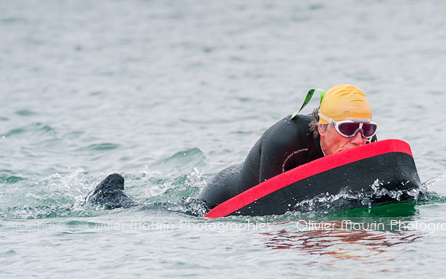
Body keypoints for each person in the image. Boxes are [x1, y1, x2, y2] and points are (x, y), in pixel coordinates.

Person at [85, 84, 378, 212]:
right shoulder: (287, 140)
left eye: (366, 129)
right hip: (226, 195)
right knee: (169, 213)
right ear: (324, 127)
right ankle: (113, 198)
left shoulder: (366, 142)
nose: (359, 139)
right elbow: (272, 212)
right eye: (348, 129)